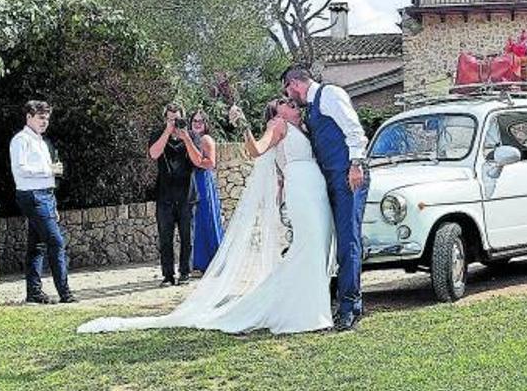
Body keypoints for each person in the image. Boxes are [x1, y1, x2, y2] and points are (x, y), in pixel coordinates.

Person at [78, 97, 336, 335]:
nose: (291, 103)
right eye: (284, 102)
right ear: (276, 113)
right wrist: (244, 126)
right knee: (307, 245)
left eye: (291, 101)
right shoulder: (279, 125)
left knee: (316, 245)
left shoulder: (304, 126)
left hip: (315, 189)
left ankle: (309, 303)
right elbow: (256, 150)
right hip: (301, 190)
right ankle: (306, 311)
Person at [282, 66, 370, 331]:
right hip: (330, 180)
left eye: (287, 90)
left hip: (348, 176)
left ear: (294, 83)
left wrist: (356, 165)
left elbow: (354, 130)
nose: (288, 95)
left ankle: (349, 308)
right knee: (337, 242)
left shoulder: (330, 94)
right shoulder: (310, 108)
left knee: (348, 240)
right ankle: (349, 303)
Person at [9, 100, 76, 304]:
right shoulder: (21, 140)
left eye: (47, 118)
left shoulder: (41, 142)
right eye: (40, 118)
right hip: (32, 196)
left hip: (45, 195)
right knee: (56, 242)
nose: (44, 122)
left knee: (36, 246)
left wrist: (53, 203)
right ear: (28, 117)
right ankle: (65, 293)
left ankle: (34, 293)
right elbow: (19, 170)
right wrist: (49, 171)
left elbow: (48, 179)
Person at [148, 103, 195, 286]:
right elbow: (153, 154)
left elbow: (197, 159)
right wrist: (167, 132)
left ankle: (185, 272)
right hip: (165, 195)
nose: (174, 122)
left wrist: (185, 138)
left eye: (177, 119)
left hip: (187, 194)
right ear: (165, 119)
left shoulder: (191, 136)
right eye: (170, 119)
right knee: (165, 237)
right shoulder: (158, 134)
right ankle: (168, 275)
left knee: (186, 236)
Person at [177, 109, 224, 272]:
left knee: (206, 219)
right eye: (194, 121)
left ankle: (212, 261)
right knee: (196, 222)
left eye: (200, 121)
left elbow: (210, 163)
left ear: (206, 124)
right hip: (192, 181)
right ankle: (200, 262)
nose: (197, 124)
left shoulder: (205, 139)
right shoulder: (191, 138)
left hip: (202, 181)